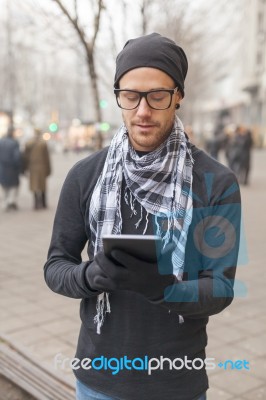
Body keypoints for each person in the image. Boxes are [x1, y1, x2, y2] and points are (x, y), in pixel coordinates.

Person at [44, 33, 241, 400]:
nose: (142, 110)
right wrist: (90, 275)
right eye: (130, 95)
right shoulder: (85, 176)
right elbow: (56, 267)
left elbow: (221, 288)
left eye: (157, 95)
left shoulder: (217, 182)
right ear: (118, 94)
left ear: (178, 96)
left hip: (177, 381)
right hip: (98, 379)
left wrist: (164, 288)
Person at [23, 128, 51, 210]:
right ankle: (43, 203)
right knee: (43, 186)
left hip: (32, 168)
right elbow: (47, 158)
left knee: (34, 186)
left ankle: (35, 204)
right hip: (42, 167)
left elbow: (25, 157)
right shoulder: (43, 144)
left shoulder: (28, 143)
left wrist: (24, 168)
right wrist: (49, 169)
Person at [0, 126, 22, 211]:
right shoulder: (14, 143)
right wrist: (19, 167)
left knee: (4, 186)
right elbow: (17, 157)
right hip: (12, 169)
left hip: (2, 168)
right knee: (13, 186)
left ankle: (6, 202)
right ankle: (11, 201)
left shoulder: (1, 142)